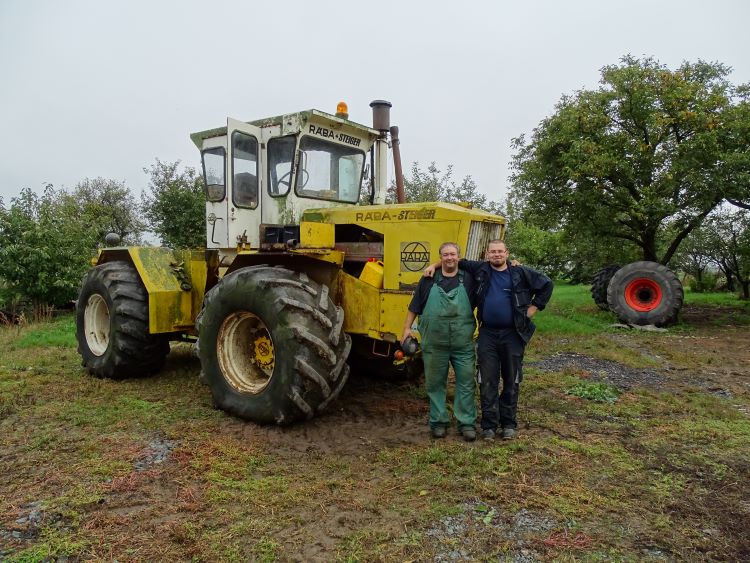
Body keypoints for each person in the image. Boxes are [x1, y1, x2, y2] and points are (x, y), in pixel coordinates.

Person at [425, 240, 553, 441]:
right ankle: (489, 426)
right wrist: (433, 265)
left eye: (500, 251)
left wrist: (535, 307)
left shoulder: (519, 272)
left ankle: (509, 423)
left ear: (506, 253)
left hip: (513, 334)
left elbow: (547, 284)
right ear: (487, 255)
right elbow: (453, 260)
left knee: (511, 380)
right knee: (487, 380)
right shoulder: (481, 269)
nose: (496, 255)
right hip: (488, 334)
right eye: (493, 252)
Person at [401, 242, 478, 441]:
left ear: (458, 257)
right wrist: (407, 329)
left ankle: (466, 422)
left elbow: (493, 272)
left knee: (466, 382)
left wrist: (514, 264)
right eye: (445, 255)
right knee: (435, 384)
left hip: (462, 344)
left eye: (453, 254)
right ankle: (438, 422)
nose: (449, 258)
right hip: (435, 344)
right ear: (440, 257)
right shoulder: (428, 279)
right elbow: (415, 305)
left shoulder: (469, 278)